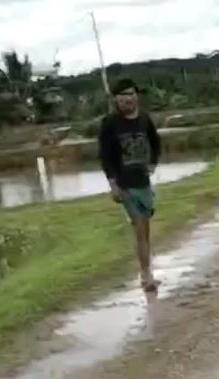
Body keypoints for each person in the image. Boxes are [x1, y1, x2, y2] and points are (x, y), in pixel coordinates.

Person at [98, 78, 162, 292]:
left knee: (145, 228)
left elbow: (155, 142)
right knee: (140, 226)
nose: (127, 99)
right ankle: (147, 275)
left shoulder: (144, 119)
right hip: (125, 184)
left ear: (137, 96)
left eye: (131, 94)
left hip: (143, 181)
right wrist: (113, 183)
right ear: (116, 99)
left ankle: (146, 270)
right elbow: (105, 156)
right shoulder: (110, 123)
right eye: (122, 95)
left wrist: (153, 164)